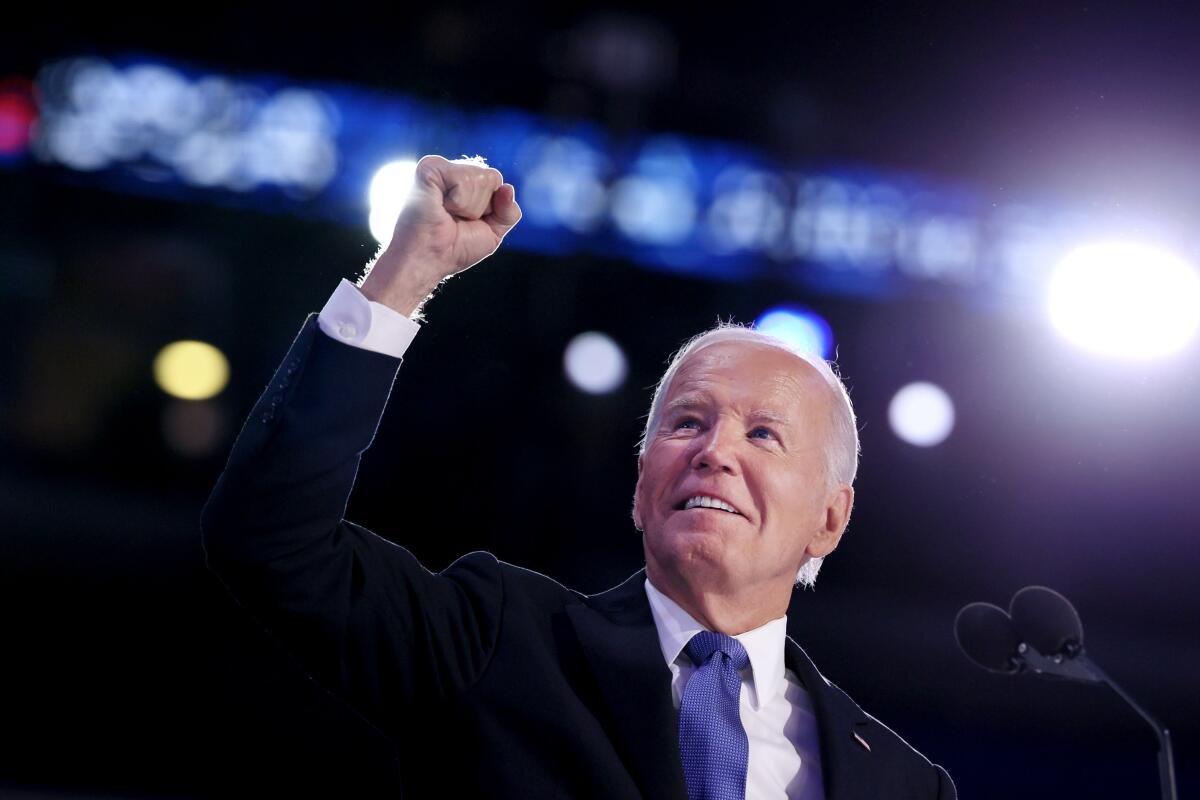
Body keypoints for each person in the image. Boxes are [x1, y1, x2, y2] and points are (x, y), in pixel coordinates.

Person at [202, 155, 956, 798]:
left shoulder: (899, 782)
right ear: (641, 485)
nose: (715, 450)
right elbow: (271, 542)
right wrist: (407, 273)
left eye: (764, 433)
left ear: (830, 517)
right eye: (687, 423)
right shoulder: (502, 640)